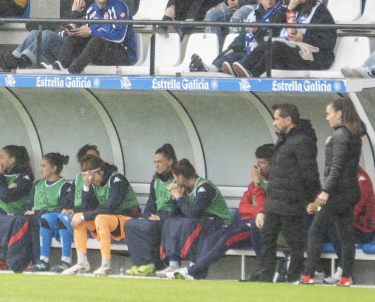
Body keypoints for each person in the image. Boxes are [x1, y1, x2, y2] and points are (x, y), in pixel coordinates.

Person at [174, 144, 273, 280]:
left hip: (257, 227)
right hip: (244, 222)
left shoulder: (270, 183)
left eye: (261, 162)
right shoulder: (256, 182)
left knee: (227, 238)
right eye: (257, 161)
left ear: (272, 163)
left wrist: (257, 188)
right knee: (212, 238)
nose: (257, 167)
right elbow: (243, 206)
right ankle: (197, 274)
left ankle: (192, 271)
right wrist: (256, 210)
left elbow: (264, 207)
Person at [298, 99, 365, 286]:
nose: (327, 118)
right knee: (345, 236)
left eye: (329, 113)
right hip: (350, 191)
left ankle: (307, 275)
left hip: (337, 193)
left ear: (340, 113)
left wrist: (326, 191)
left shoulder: (341, 135)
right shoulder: (353, 133)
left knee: (314, 231)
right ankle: (345, 278)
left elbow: (337, 167)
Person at [248, 103, 318, 283]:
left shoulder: (302, 141)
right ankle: (266, 276)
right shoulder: (284, 139)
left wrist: (311, 199)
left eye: (277, 119)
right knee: (267, 237)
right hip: (274, 201)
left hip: (292, 202)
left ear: (288, 120)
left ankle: (294, 276)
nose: (274, 123)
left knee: (294, 241)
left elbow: (310, 173)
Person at [230, 0, 336, 77]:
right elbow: (272, 28)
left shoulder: (320, 11)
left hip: (314, 57)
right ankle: (244, 69)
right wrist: (288, 9)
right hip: (293, 51)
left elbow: (329, 40)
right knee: (268, 42)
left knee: (277, 46)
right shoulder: (292, 7)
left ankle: (254, 74)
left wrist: (303, 38)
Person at [62, 153, 141, 276]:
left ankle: (106, 264)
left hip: (129, 220)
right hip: (110, 221)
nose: (92, 181)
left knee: (100, 218)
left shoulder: (116, 179)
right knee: (78, 217)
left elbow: (110, 207)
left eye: (92, 178)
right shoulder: (93, 184)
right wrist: (86, 188)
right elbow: (86, 209)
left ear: (99, 170)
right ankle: (82, 262)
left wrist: (84, 216)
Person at [57, 0, 135, 74]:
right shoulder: (91, 9)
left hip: (122, 55)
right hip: (102, 53)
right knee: (74, 38)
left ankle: (73, 71)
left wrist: (90, 32)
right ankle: (61, 68)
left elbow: (119, 37)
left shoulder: (119, 6)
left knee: (97, 40)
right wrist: (75, 31)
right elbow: (86, 34)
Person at [122, 145, 179, 275]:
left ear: (170, 162)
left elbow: (179, 206)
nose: (156, 165)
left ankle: (150, 263)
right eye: (155, 162)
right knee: (130, 224)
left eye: (159, 162)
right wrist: (146, 216)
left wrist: (162, 217)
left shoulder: (177, 180)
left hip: (170, 218)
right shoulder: (155, 181)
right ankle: (138, 263)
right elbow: (150, 203)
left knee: (148, 227)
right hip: (156, 216)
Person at [4, 0, 92, 70]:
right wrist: (66, 25)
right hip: (61, 45)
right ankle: (13, 58)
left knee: (47, 34)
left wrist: (75, 14)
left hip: (72, 51)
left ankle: (24, 61)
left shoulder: (88, 13)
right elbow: (62, 27)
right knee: (34, 33)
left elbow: (71, 31)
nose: (74, 1)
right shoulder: (73, 13)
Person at [22, 153, 76, 273]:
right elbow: (28, 204)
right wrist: (27, 211)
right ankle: (18, 261)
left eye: (43, 166)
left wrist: (37, 212)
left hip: (52, 222)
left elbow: (63, 211)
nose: (40, 169)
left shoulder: (65, 186)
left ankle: (42, 260)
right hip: (32, 218)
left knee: (41, 219)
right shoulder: (37, 184)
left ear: (54, 168)